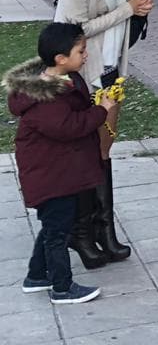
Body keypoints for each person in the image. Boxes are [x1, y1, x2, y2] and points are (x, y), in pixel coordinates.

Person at [53, 0, 153, 269]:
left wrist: (139, 9)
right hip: (80, 76)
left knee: (102, 150)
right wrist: (127, 9)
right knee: (82, 153)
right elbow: (76, 30)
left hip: (110, 73)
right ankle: (80, 232)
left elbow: (123, 12)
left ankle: (104, 228)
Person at [5, 22, 119, 304]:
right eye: (81, 51)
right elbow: (69, 127)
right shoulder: (44, 97)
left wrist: (96, 102)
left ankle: (36, 277)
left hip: (60, 172)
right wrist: (101, 111)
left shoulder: (68, 79)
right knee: (58, 232)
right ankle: (62, 287)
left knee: (53, 227)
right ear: (60, 58)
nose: (86, 55)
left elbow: (75, 112)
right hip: (50, 176)